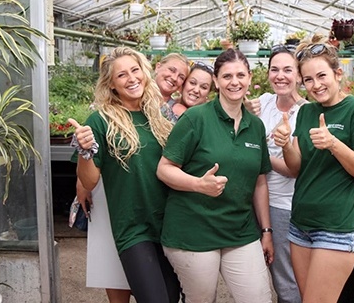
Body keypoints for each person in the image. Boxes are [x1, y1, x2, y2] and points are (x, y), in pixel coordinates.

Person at [156, 48, 274, 303]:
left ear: (250, 78)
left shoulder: (255, 126)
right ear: (217, 82)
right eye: (227, 76)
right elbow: (164, 169)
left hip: (240, 231)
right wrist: (199, 184)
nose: (235, 82)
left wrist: (266, 231)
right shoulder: (196, 118)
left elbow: (260, 182)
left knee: (259, 298)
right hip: (193, 231)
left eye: (241, 75)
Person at [70, 47, 181, 303]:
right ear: (111, 85)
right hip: (133, 229)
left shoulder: (160, 117)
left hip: (168, 225)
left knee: (171, 298)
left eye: (135, 70)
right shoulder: (100, 121)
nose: (131, 78)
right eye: (121, 75)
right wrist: (85, 152)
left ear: (144, 72)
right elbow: (89, 181)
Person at [273, 35, 354, 303]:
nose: (316, 85)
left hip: (336, 228)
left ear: (338, 73)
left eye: (322, 76)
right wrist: (286, 144)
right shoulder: (307, 112)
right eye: (308, 79)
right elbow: (296, 167)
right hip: (301, 225)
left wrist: (333, 143)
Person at [245, 44, 307, 303]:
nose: (280, 76)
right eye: (274, 69)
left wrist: (261, 154)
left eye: (287, 70)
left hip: (285, 204)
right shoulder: (263, 104)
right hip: (258, 200)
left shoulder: (307, 113)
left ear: (300, 76)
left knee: (286, 278)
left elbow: (296, 170)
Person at [154, 53, 190, 123]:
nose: (174, 78)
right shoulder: (135, 98)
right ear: (158, 67)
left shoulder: (179, 113)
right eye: (172, 70)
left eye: (181, 77)